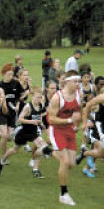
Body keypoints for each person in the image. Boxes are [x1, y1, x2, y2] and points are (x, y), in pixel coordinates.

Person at [0, 87, 53, 178]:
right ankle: (1, 161)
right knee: (15, 150)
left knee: (42, 146)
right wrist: (32, 122)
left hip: (34, 132)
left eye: (40, 97)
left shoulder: (40, 105)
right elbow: (20, 119)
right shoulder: (28, 107)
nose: (39, 99)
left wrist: (41, 123)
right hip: (23, 131)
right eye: (37, 97)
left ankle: (35, 169)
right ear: (32, 96)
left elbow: (39, 116)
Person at [47, 70, 82, 206]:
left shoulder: (78, 94)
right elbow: (51, 119)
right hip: (57, 131)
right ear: (67, 82)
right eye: (75, 81)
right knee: (65, 162)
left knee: (72, 164)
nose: (78, 84)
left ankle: (49, 152)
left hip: (69, 131)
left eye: (78, 81)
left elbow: (79, 110)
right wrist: (69, 121)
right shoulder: (57, 98)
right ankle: (63, 194)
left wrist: (79, 123)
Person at [0, 63, 24, 162]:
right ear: (4, 74)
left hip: (12, 114)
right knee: (5, 135)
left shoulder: (16, 83)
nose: (11, 76)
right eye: (9, 74)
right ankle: (3, 157)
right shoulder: (0, 85)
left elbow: (19, 97)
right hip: (3, 113)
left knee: (9, 137)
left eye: (12, 74)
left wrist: (17, 106)